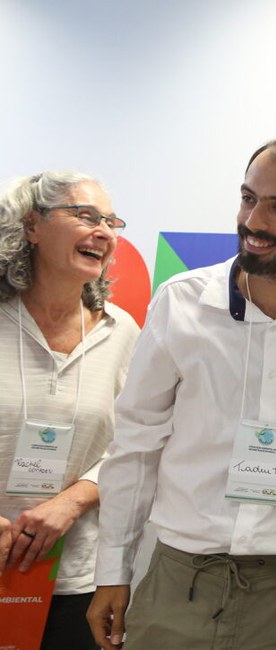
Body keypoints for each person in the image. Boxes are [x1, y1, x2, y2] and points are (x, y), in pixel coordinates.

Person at [86, 134, 276, 650]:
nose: (254, 221)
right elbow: (136, 445)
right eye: (248, 198)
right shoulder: (181, 303)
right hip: (177, 584)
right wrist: (114, 570)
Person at [0, 171, 139, 649]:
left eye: (111, 222)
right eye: (85, 216)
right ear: (31, 226)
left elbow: (135, 442)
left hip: (75, 577)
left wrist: (73, 500)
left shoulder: (122, 332)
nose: (105, 232)